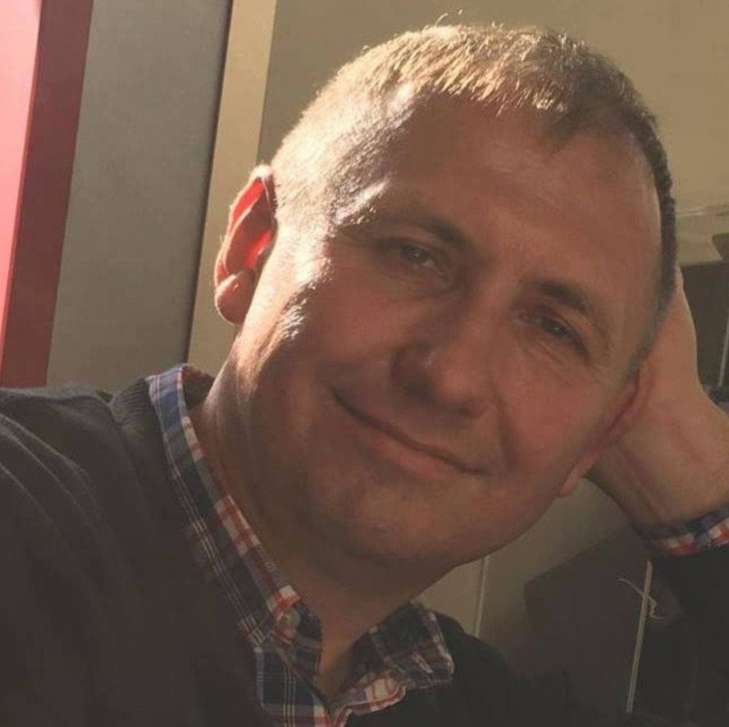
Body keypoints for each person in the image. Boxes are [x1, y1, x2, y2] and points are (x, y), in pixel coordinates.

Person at [1, 23, 728, 727]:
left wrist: (688, 454)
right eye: (414, 255)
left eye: (553, 328)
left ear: (600, 433)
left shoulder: (452, 695)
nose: (451, 376)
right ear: (253, 247)